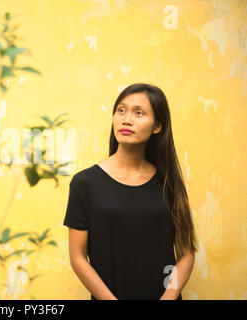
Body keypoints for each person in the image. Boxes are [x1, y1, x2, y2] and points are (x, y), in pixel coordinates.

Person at [63, 83, 197, 300]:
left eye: (139, 113)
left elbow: (186, 253)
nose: (126, 119)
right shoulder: (84, 183)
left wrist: (168, 297)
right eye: (121, 110)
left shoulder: (168, 183)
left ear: (157, 126)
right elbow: (78, 257)